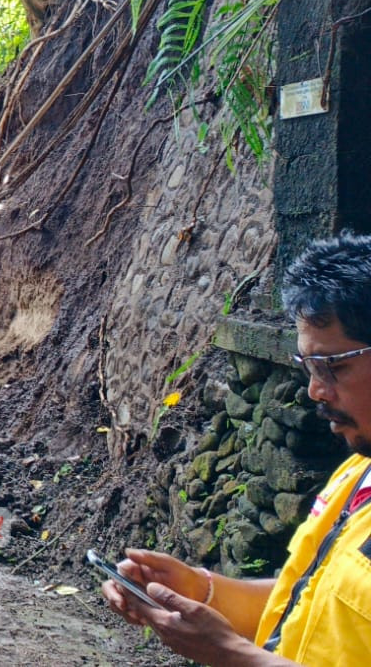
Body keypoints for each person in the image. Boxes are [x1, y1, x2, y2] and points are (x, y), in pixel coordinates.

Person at [103, 232, 371, 664]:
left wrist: (233, 655)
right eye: (308, 366)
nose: (315, 390)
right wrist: (200, 591)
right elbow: (311, 602)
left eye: (331, 366)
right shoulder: (357, 473)